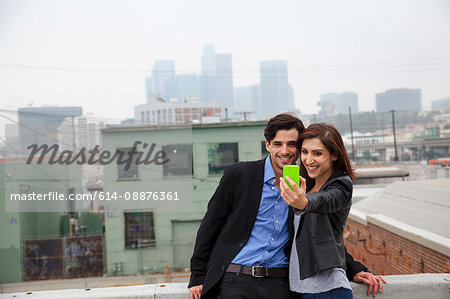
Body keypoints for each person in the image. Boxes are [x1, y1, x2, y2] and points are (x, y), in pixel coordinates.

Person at [189, 114, 385, 299]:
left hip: (281, 284)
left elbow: (318, 237)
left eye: (292, 144)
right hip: (237, 278)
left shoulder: (306, 185)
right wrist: (198, 276)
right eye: (278, 144)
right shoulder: (239, 175)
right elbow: (210, 226)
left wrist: (355, 268)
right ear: (268, 145)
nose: (285, 151)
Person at [280, 122, 385, 299]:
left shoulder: (341, 185)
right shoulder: (307, 185)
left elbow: (325, 201)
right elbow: (327, 240)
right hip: (299, 288)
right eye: (305, 152)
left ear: (334, 155)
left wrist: (304, 202)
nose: (308, 160)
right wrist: (354, 269)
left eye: (317, 153)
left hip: (328, 289)